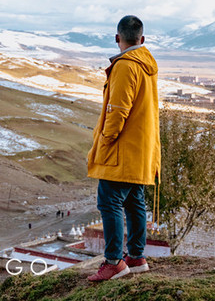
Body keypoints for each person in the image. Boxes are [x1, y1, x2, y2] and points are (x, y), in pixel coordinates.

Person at [86, 15, 161, 282]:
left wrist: (106, 141)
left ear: (117, 38)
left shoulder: (125, 66)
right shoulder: (146, 65)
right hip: (141, 149)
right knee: (134, 201)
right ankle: (137, 257)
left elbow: (117, 110)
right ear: (142, 39)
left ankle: (114, 261)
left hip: (122, 150)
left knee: (109, 201)